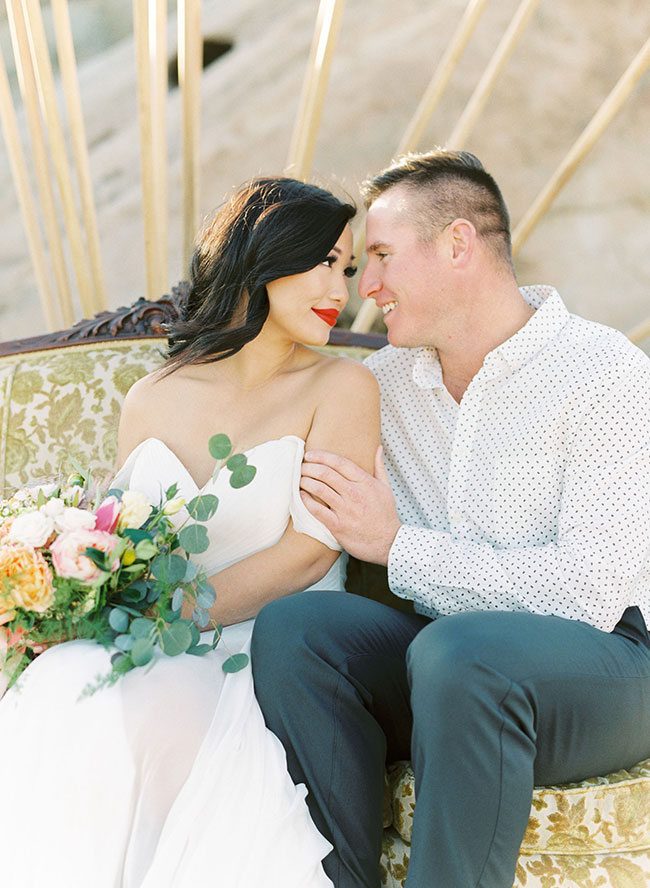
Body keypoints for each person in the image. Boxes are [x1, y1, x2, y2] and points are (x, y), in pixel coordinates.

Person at [251, 149, 650, 888]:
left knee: (462, 653)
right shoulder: (384, 384)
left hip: (608, 671)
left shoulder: (604, 374)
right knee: (296, 630)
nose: (367, 286)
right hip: (443, 665)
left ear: (458, 245)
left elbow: (592, 595)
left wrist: (401, 548)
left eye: (381, 256)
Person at [0, 177, 380, 887]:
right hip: (144, 638)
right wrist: (81, 595)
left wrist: (178, 613)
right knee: (60, 680)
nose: (342, 287)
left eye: (349, 268)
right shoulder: (154, 394)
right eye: (325, 262)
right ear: (265, 260)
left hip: (261, 648)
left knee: (169, 700)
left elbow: (309, 553)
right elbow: (116, 537)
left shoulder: (343, 388)